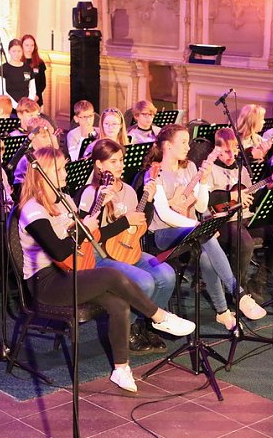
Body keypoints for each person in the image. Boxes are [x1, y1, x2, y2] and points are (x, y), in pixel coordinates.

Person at [17, 146, 194, 392]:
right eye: (59, 169)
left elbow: (91, 238)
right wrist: (84, 229)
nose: (65, 172)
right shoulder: (31, 209)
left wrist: (97, 215)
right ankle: (159, 317)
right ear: (43, 173)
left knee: (119, 303)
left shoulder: (65, 200)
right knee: (113, 274)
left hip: (73, 269)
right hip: (46, 281)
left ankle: (121, 369)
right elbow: (58, 251)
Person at [145, 124, 266, 330]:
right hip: (163, 234)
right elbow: (164, 215)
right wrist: (197, 225)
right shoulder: (155, 173)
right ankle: (238, 294)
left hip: (193, 232)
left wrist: (203, 181)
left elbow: (201, 205)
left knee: (206, 255)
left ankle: (223, 312)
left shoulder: (190, 167)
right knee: (206, 234)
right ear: (167, 146)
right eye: (183, 142)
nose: (188, 147)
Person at [78, 139, 177, 353]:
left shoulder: (130, 191)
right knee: (144, 282)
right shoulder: (91, 193)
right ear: (99, 165)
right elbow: (88, 235)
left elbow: (139, 226)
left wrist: (148, 200)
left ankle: (146, 324)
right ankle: (127, 329)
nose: (120, 165)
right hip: (99, 256)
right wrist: (124, 221)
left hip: (128, 249)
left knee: (167, 275)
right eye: (113, 161)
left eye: (121, 160)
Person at [206, 127, 273, 305]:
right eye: (226, 151)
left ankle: (258, 281)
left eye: (234, 150)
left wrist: (266, 188)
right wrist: (231, 198)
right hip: (223, 221)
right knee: (245, 242)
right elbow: (207, 200)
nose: (231, 154)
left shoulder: (241, 169)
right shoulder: (210, 170)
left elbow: (252, 199)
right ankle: (237, 289)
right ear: (216, 150)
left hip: (245, 218)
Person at [0, 35, 45, 107]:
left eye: (19, 51)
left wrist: (27, 103)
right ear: (9, 51)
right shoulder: (3, 69)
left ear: (22, 51)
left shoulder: (28, 68)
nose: (17, 54)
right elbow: (1, 91)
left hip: (26, 107)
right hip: (10, 107)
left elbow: (32, 89)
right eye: (14, 51)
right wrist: (16, 106)